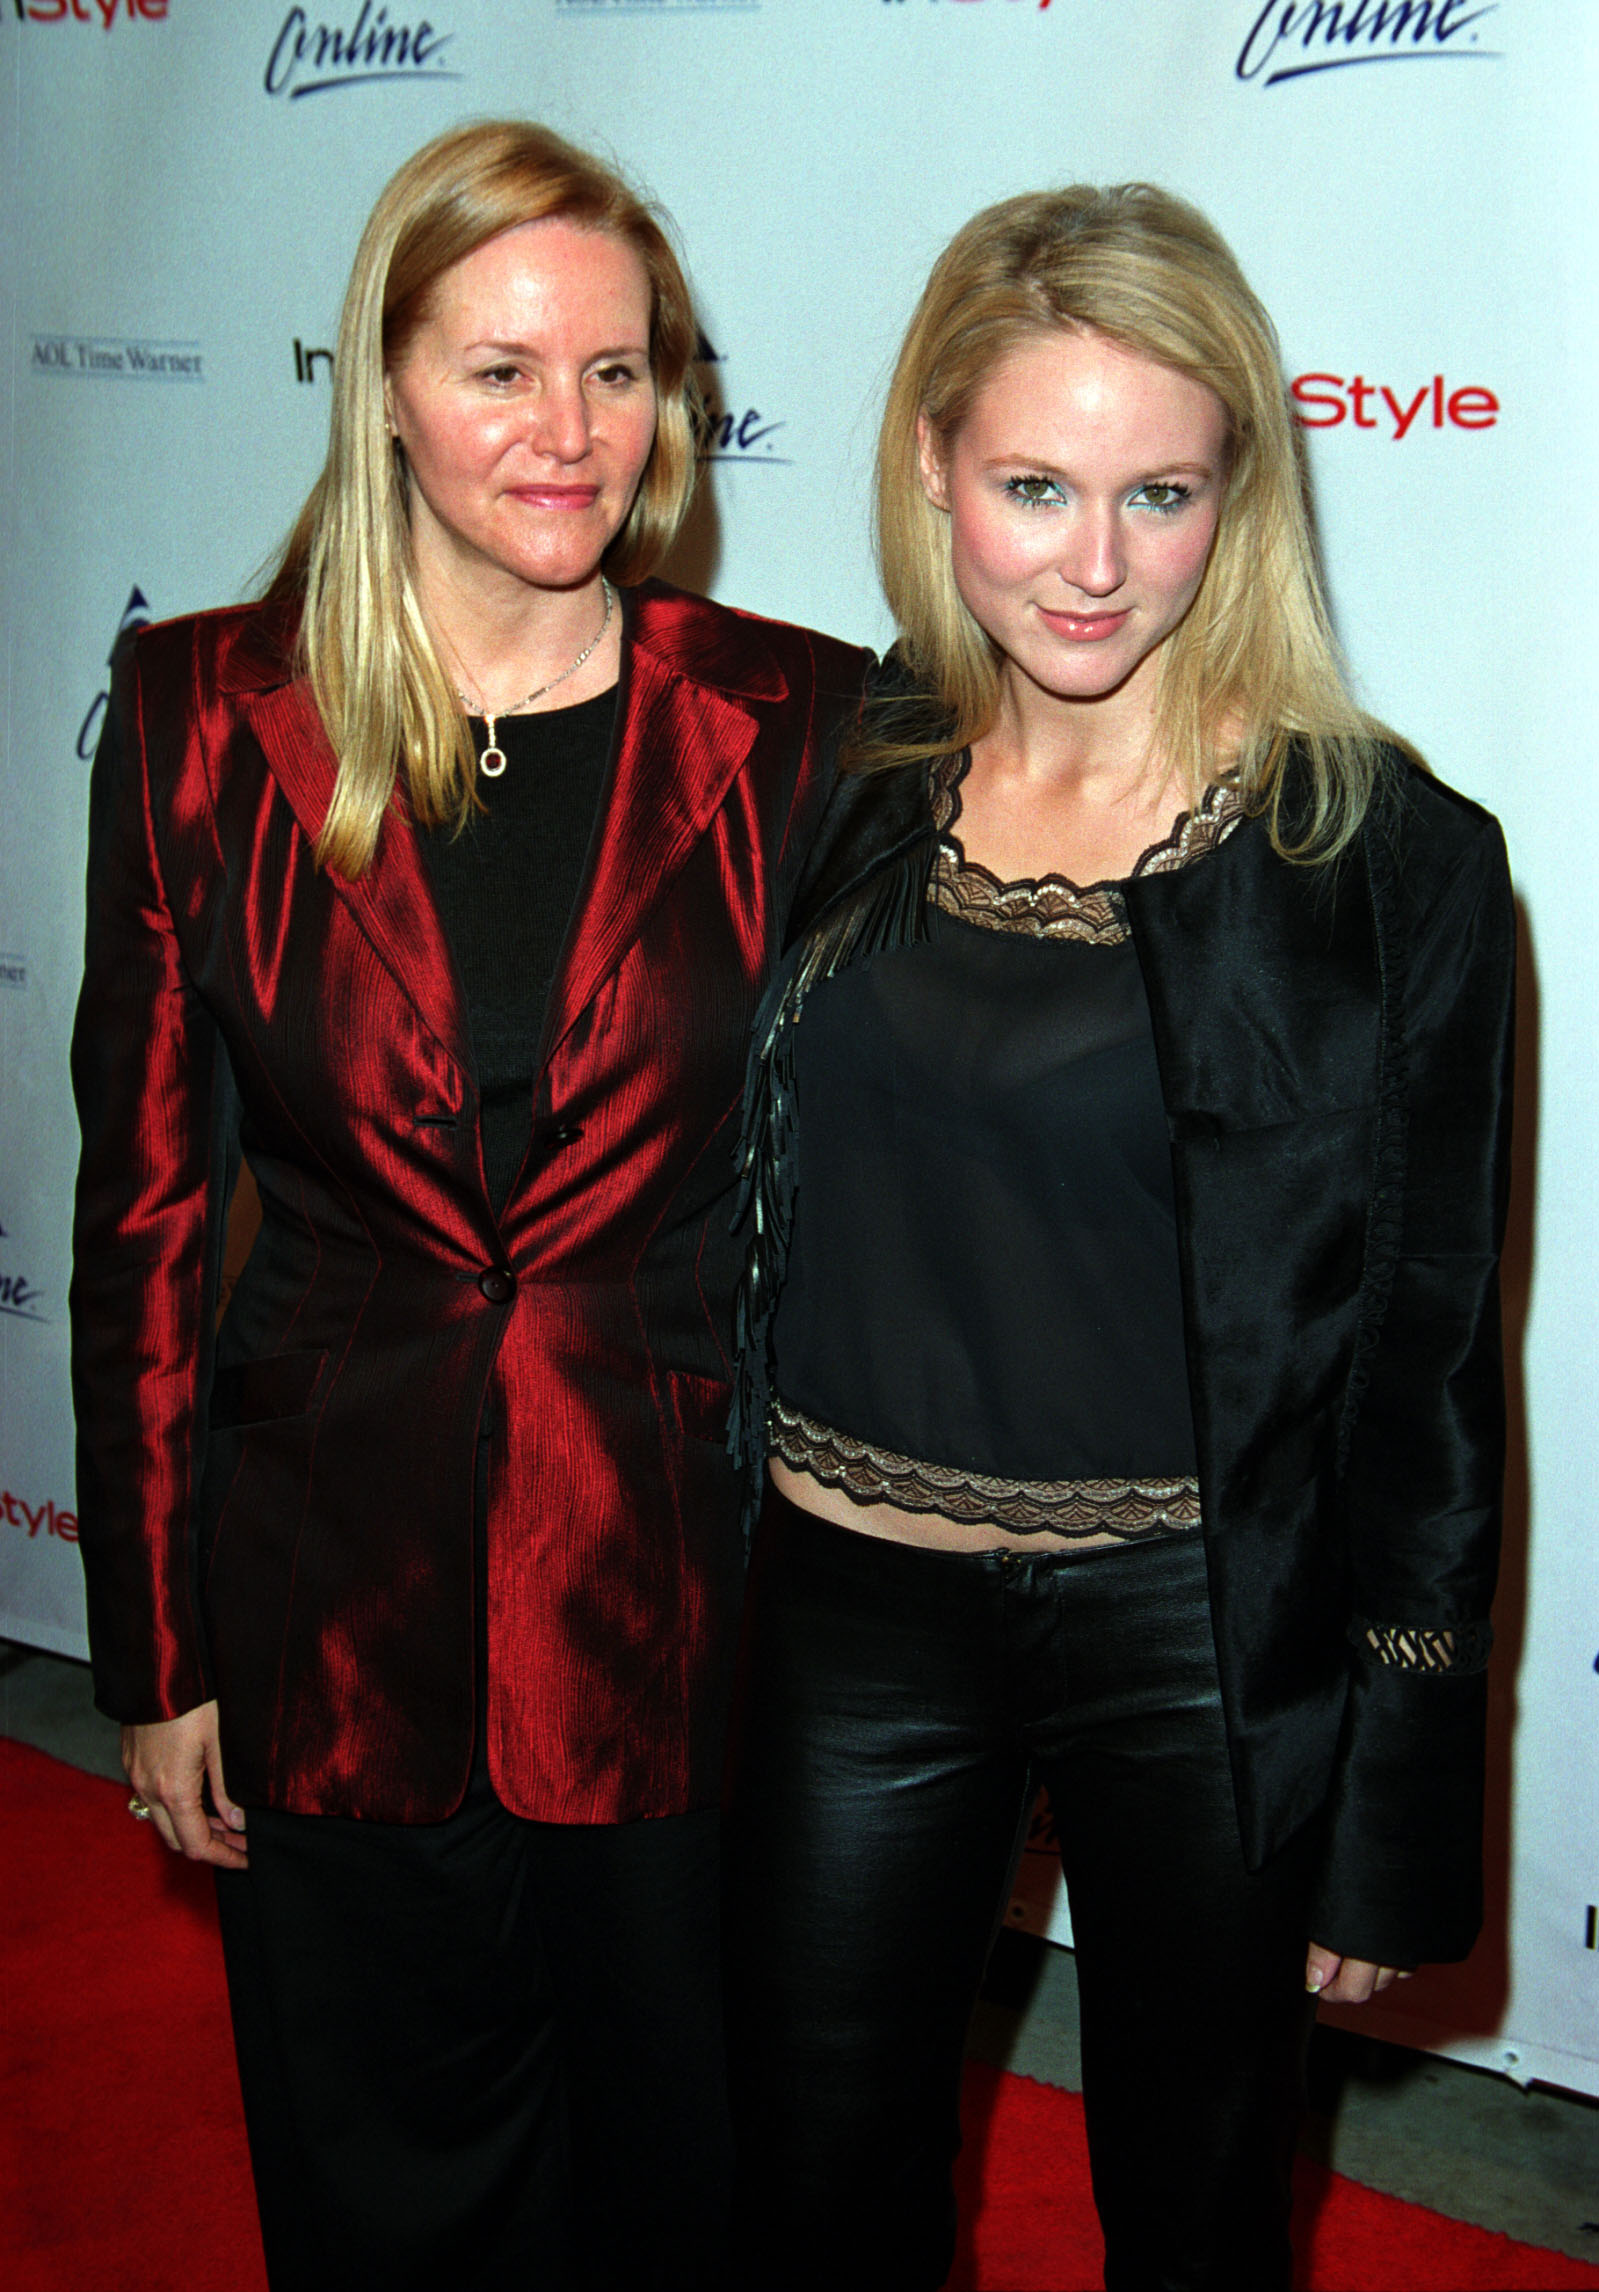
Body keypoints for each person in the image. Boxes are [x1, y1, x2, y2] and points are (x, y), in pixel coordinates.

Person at [69, 119, 867, 2292]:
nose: (568, 431)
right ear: (385, 384)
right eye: (500, 367)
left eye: (620, 372)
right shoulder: (198, 717)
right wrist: (155, 1649)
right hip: (331, 1596)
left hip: (685, 1606)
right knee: (379, 2193)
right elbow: (143, 1214)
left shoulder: (803, 721)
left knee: (689, 2192)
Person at [724, 183, 1513, 2292]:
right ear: (925, 467)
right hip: (845, 1605)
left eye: (1156, 492)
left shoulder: (1379, 858)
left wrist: (1389, 1793)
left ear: (1234, 486)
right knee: (814, 2184)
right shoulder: (838, 769)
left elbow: (1421, 1367)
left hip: (1195, 1634)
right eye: (1032, 486)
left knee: (1194, 2207)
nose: (1091, 563)